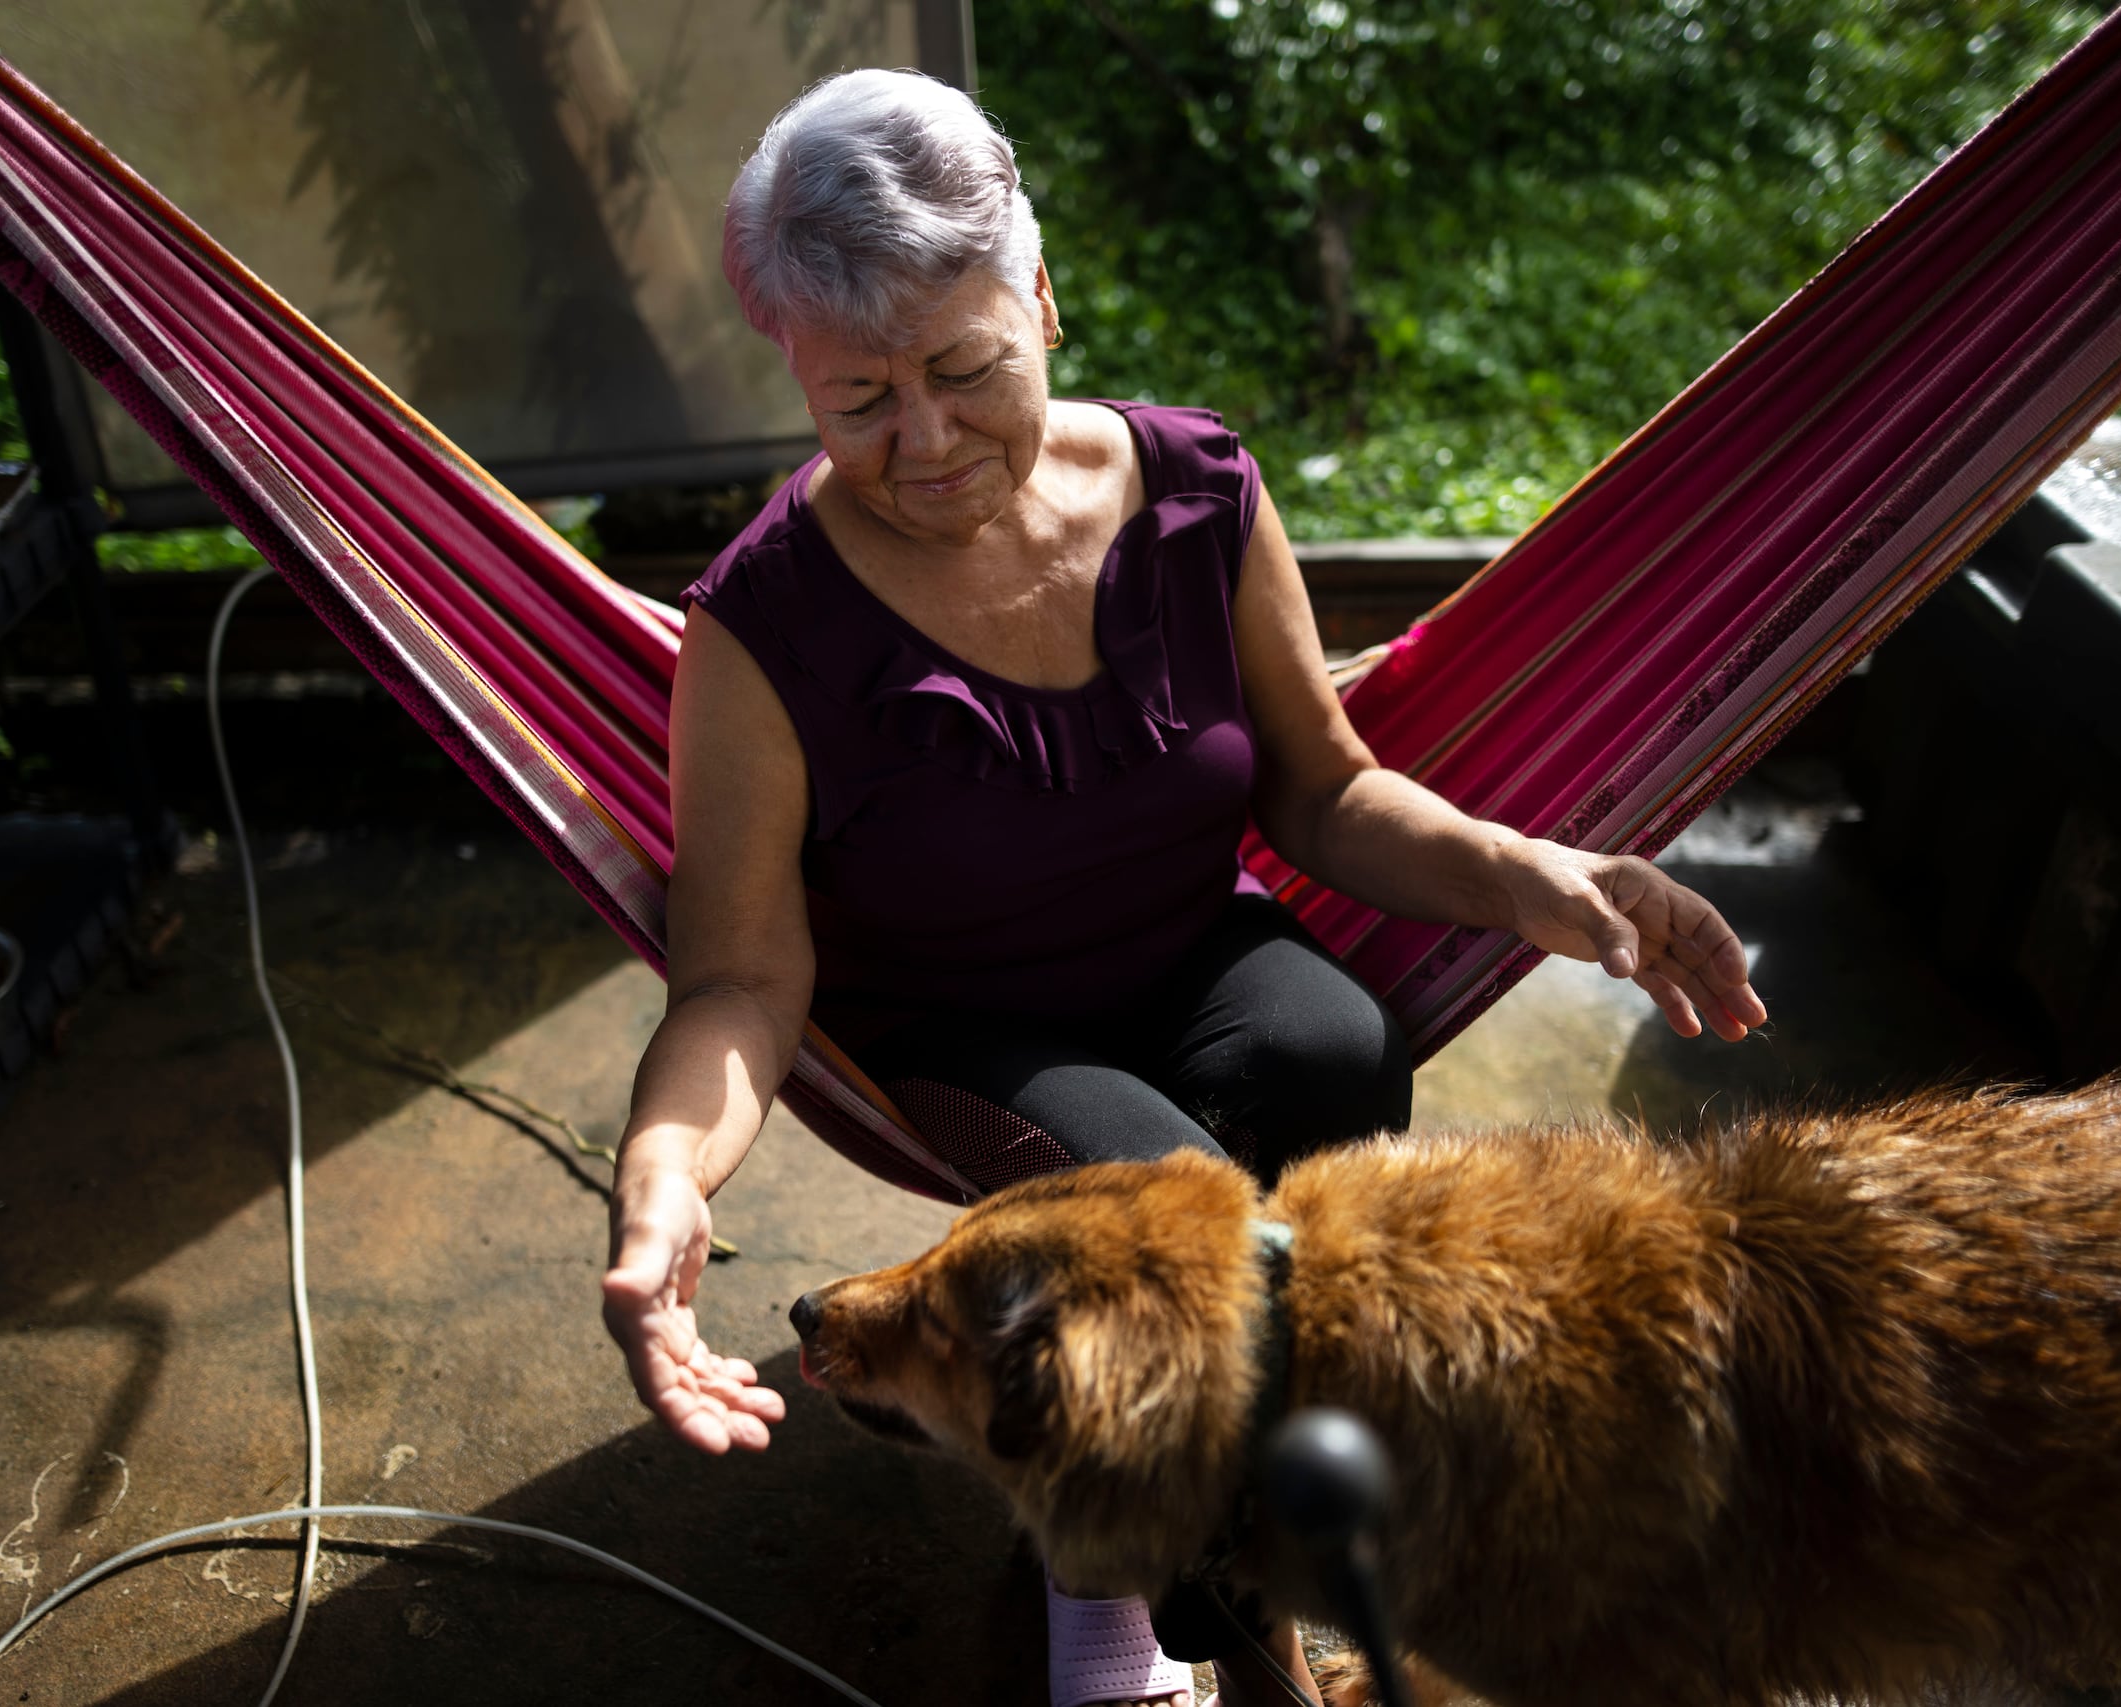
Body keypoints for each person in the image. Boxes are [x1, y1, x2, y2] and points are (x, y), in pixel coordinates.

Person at [600, 68, 1768, 1707]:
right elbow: (738, 980)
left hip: (1188, 951)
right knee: (1162, 1245)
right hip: (967, 1024)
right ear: (795, 373)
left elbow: (1327, 785)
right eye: (859, 399)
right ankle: (1178, 1594)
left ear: (1045, 306)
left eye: (964, 369)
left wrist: (1529, 873)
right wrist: (665, 1177)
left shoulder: (1195, 487)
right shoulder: (762, 628)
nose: (923, 442)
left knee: (1338, 1052)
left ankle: (1136, 1513)